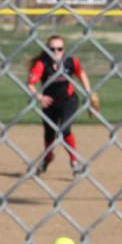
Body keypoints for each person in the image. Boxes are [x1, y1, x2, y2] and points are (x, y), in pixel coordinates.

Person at [26, 35, 95, 177]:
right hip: (49, 103)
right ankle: (48, 157)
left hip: (69, 101)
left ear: (64, 50)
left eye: (60, 49)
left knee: (64, 129)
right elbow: (30, 84)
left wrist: (88, 92)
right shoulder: (42, 64)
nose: (56, 52)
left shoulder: (71, 61)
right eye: (52, 49)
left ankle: (74, 162)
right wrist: (40, 97)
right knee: (49, 133)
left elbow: (81, 74)